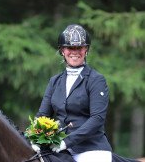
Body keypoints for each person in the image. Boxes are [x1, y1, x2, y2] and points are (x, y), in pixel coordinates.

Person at [31, 24, 112, 162]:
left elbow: (97, 118)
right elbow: (43, 115)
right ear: (62, 50)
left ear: (86, 50)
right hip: (58, 148)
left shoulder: (96, 80)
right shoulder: (54, 81)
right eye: (70, 48)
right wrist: (34, 137)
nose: (75, 52)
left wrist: (67, 142)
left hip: (91, 149)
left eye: (79, 47)